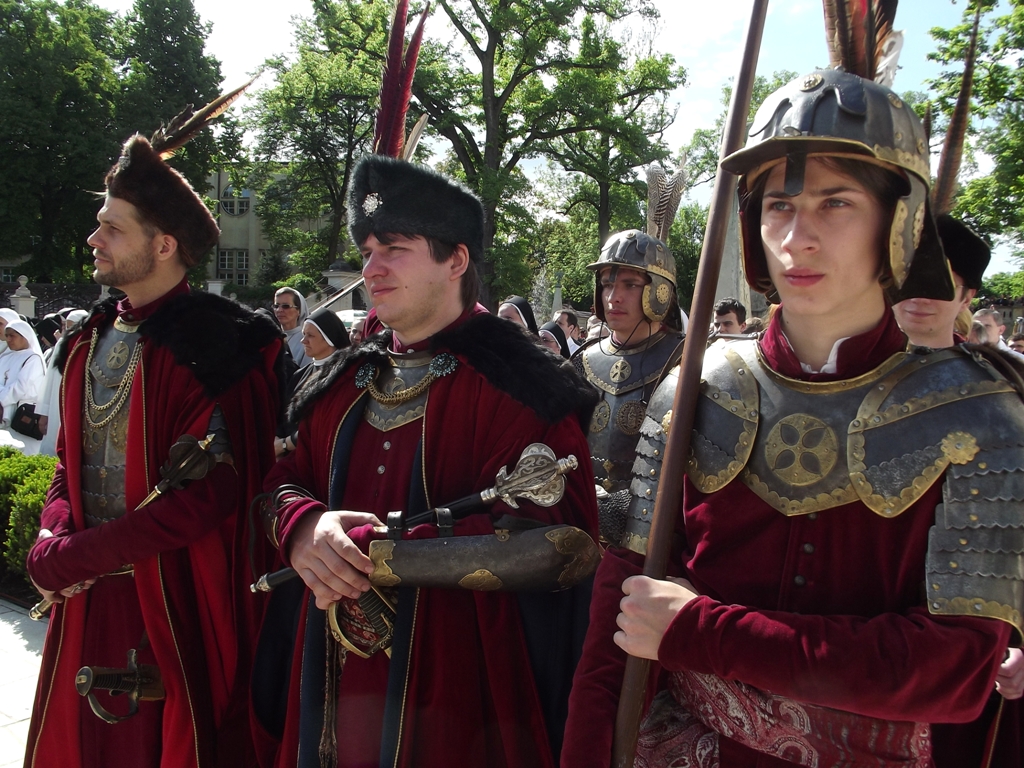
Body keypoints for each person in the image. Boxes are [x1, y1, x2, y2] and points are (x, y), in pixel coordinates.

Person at [563, 68, 1024, 767]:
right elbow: (616, 628)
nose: (796, 238)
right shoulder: (696, 389)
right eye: (778, 206)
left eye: (835, 204)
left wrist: (701, 631)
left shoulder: (980, 418)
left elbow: (954, 672)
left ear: (898, 223)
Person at [251, 154, 598, 768]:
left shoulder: (525, 385)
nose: (371, 268)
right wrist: (304, 526)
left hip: (463, 691)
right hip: (331, 680)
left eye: (395, 248)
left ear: (456, 259)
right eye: (366, 250)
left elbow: (555, 547)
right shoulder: (341, 380)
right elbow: (282, 481)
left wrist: (376, 548)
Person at [24, 107, 282, 768]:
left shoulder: (222, 346)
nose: (93, 239)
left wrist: (74, 557)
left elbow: (208, 500)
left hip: (167, 604)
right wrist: (53, 536)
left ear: (163, 244)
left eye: (112, 228)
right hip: (84, 597)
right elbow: (68, 464)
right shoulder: (90, 337)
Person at [571, 229, 684, 545]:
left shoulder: (686, 360)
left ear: (659, 293)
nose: (613, 297)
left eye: (630, 285)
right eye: (607, 284)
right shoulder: (584, 360)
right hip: (584, 526)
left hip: (657, 535)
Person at [894, 214, 988, 348]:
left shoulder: (987, 369)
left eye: (938, 286)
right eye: (907, 282)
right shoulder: (859, 365)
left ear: (966, 299)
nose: (919, 298)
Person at [275, 307, 351, 458]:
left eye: (310, 335)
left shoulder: (343, 375)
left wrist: (284, 444)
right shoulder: (300, 374)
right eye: (304, 334)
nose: (304, 340)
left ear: (329, 338)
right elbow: (282, 414)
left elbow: (324, 423)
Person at [0, 319, 44, 425]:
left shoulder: (33, 358)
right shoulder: (5, 357)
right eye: (7, 336)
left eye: (12, 335)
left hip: (20, 413)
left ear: (24, 336)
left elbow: (21, 387)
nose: (9, 339)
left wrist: (1, 400)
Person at [275, 286, 311, 367]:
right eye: (276, 306)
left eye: (285, 306)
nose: (279, 310)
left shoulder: (307, 340)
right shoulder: (271, 337)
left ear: (299, 310)